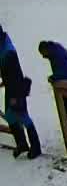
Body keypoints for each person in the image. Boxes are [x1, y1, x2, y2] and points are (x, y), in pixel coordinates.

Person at [0, 25, 39, 159]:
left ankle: (36, 147)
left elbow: (13, 75)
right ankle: (22, 144)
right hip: (11, 87)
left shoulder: (8, 52)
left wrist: (15, 96)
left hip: (15, 89)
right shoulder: (3, 46)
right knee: (10, 116)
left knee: (23, 116)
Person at [38, 39, 67, 136]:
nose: (43, 57)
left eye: (43, 54)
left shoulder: (56, 55)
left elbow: (65, 73)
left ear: (46, 49)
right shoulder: (57, 49)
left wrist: (53, 77)